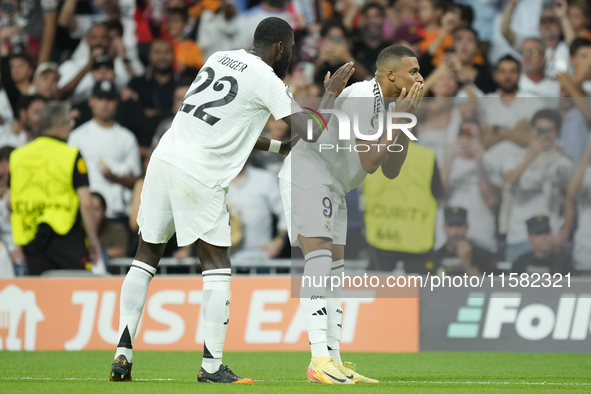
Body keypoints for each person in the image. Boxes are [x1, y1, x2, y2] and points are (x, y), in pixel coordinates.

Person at [109, 17, 354, 384]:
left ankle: (122, 357)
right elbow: (313, 132)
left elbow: (225, 124)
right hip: (200, 171)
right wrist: (330, 94)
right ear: (280, 49)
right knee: (217, 264)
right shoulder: (268, 79)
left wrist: (278, 147)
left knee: (146, 256)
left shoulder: (219, 58)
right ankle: (211, 367)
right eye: (287, 51)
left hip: (163, 158)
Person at [278, 45, 424, 384]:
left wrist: (401, 121)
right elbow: (369, 162)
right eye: (413, 71)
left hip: (336, 185)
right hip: (309, 173)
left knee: (334, 274)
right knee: (318, 261)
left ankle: (334, 360)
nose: (420, 77)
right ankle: (318, 360)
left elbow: (390, 169)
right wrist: (400, 119)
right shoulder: (362, 95)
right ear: (391, 74)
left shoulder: (391, 105)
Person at [9, 101, 101, 275]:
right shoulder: (71, 154)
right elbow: (86, 202)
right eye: (69, 123)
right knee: (74, 293)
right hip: (66, 236)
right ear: (60, 124)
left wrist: (18, 241)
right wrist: (94, 242)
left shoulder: (17, 156)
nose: (70, 128)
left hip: (30, 239)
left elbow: (11, 201)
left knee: (42, 296)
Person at [503, 109, 574, 262]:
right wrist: (531, 155)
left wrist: (564, 234)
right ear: (532, 130)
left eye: (550, 130)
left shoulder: (564, 163)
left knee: (556, 286)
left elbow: (570, 200)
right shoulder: (515, 158)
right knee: (515, 286)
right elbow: (509, 180)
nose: (545, 134)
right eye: (540, 129)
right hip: (520, 237)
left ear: (557, 133)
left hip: (552, 238)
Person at [68, 80, 142, 220]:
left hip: (118, 211)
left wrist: (115, 178)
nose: (105, 104)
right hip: (85, 212)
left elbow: (136, 179)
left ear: (117, 102)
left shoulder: (127, 137)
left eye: (110, 99)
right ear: (91, 101)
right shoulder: (77, 136)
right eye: (100, 98)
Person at [432, 207, 496, 277]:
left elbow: (487, 285)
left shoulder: (481, 255)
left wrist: (468, 264)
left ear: (467, 226)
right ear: (445, 227)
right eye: (451, 225)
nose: (455, 231)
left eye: (459, 225)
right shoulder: (436, 256)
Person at [91, 192, 129, 260]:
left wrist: (99, 253)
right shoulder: (78, 231)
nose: (92, 214)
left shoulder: (117, 230)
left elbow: (121, 251)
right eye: (89, 209)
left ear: (104, 211)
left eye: (96, 209)